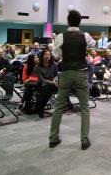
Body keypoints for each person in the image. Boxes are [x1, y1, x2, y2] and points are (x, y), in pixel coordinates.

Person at [49, 9, 96, 150]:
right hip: (81, 74)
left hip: (66, 73)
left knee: (59, 106)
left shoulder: (61, 36)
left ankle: (53, 138)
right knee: (85, 108)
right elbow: (93, 44)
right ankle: (84, 140)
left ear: (68, 21)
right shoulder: (85, 35)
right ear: (80, 21)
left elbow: (55, 55)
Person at [35, 49, 58, 118]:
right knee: (48, 89)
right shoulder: (38, 66)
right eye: (46, 54)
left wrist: (55, 81)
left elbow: (56, 75)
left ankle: (40, 108)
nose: (48, 56)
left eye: (49, 55)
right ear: (42, 56)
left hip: (53, 84)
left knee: (48, 89)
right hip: (42, 84)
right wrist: (50, 82)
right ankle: (41, 108)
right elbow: (41, 79)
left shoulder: (53, 64)